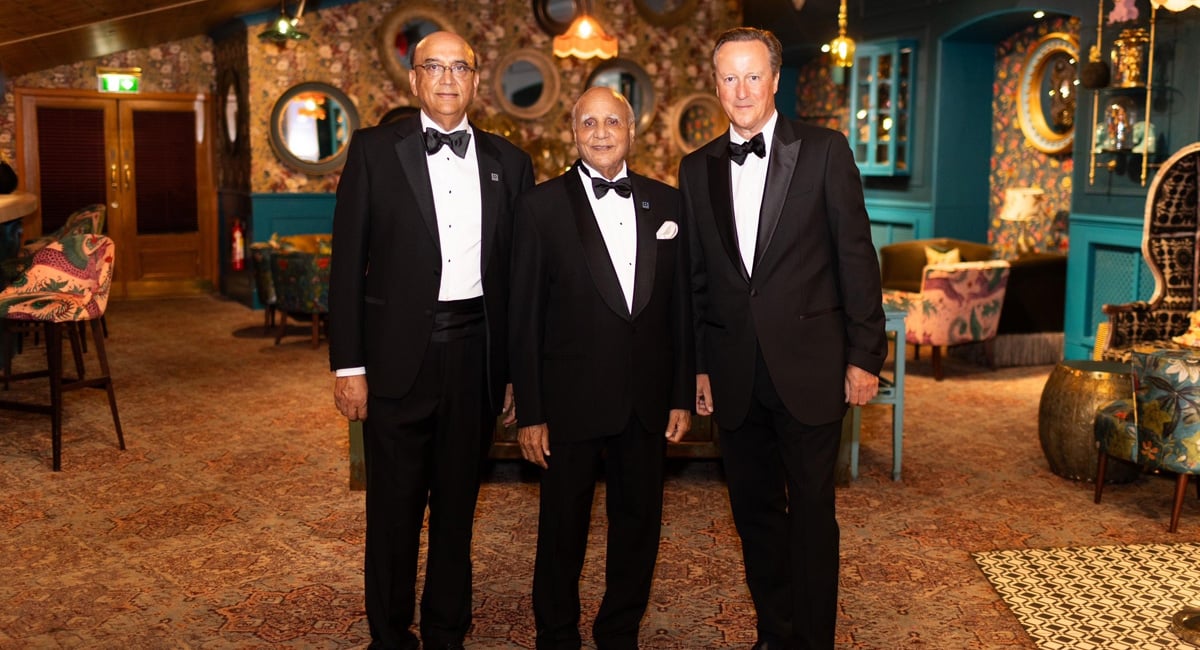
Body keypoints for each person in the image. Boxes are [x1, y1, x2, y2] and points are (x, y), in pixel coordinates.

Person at [677, 27, 887, 650]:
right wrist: (698, 368)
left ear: (774, 80)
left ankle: (814, 639)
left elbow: (857, 259)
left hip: (813, 368)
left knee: (813, 516)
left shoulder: (825, 151)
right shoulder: (696, 168)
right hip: (734, 372)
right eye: (728, 78)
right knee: (754, 515)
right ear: (716, 85)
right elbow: (695, 279)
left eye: (751, 76)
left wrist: (864, 356)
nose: (740, 90)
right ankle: (775, 631)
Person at [328, 31, 534, 650]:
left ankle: (447, 630)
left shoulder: (510, 163)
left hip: (476, 357)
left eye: (460, 68)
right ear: (414, 80)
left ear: (476, 80)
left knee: (457, 509)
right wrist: (348, 367)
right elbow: (347, 266)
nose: (447, 78)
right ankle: (389, 636)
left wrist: (519, 372)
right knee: (392, 511)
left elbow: (521, 281)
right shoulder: (372, 151)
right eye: (433, 67)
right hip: (394, 361)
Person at [509, 86, 694, 650]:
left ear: (631, 130)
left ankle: (619, 632)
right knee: (561, 530)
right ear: (573, 131)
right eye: (588, 122)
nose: (600, 131)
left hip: (646, 398)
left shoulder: (668, 205)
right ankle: (556, 635)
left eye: (612, 120)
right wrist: (531, 413)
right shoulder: (539, 207)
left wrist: (681, 394)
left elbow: (683, 308)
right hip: (569, 402)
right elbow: (524, 317)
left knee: (637, 527)